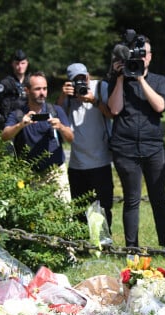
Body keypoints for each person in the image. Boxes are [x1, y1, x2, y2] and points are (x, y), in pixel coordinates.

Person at [107, 34, 165, 250]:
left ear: (150, 56)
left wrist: (140, 78)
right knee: (131, 199)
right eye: (136, 54)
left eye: (143, 54)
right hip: (125, 148)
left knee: (158, 199)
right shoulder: (118, 79)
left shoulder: (158, 80)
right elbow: (114, 109)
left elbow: (160, 106)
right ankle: (131, 248)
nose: (140, 57)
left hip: (153, 147)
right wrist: (120, 78)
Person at [56, 63, 115, 226]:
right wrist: (62, 96)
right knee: (79, 209)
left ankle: (104, 243)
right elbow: (56, 116)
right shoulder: (67, 97)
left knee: (103, 207)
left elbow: (112, 113)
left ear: (89, 76)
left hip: (101, 161)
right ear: (69, 82)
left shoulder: (99, 87)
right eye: (77, 80)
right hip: (77, 163)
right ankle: (83, 245)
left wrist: (93, 101)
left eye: (84, 78)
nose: (82, 83)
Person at [2, 71, 74, 200]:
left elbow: (70, 138)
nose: (42, 93)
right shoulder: (18, 114)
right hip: (29, 174)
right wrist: (20, 125)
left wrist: (61, 127)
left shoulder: (56, 110)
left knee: (64, 215)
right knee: (34, 218)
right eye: (37, 89)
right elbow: (4, 136)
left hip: (56, 172)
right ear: (27, 90)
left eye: (45, 89)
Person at [0, 49, 29, 131]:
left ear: (27, 63)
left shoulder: (30, 82)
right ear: (12, 64)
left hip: (27, 122)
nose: (20, 67)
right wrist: (1, 122)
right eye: (17, 63)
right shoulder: (5, 84)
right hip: (9, 123)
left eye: (23, 63)